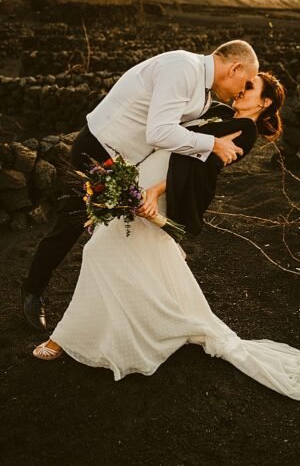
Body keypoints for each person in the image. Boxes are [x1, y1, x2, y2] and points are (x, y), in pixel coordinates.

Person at [30, 73, 300, 403]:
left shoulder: (245, 131)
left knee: (99, 251)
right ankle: (143, 326)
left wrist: (154, 191)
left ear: (263, 103)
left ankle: (63, 338)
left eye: (250, 88)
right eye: (243, 83)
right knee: (128, 255)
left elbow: (201, 166)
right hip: (145, 176)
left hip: (158, 188)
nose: (241, 90)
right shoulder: (220, 112)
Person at [19, 41, 255, 330]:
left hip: (129, 162)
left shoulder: (204, 91)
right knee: (70, 225)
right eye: (244, 83)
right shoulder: (182, 68)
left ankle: (129, 311)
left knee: (121, 234)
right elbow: (159, 132)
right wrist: (212, 144)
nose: (242, 91)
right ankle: (32, 291)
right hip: (98, 150)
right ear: (235, 67)